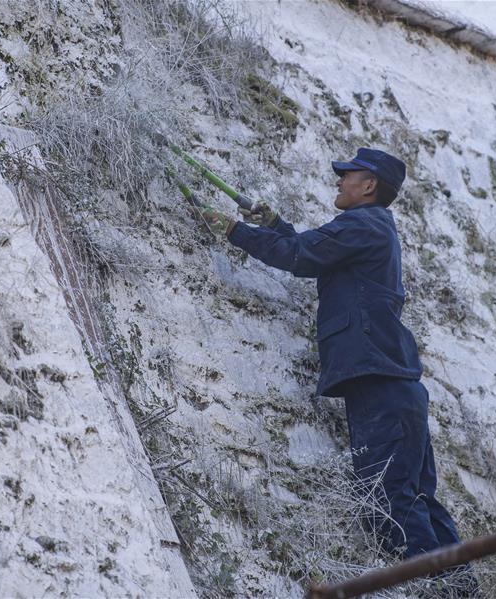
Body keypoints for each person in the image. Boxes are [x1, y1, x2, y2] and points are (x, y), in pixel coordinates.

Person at [200, 148, 478, 593]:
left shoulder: (364, 223)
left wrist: (236, 232)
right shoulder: (372, 229)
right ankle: (460, 590)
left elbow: (301, 258)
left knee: (386, 504)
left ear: (368, 186)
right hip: (396, 386)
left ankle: (433, 591)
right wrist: (273, 227)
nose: (339, 180)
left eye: (347, 175)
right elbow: (314, 252)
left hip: (380, 386)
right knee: (417, 500)